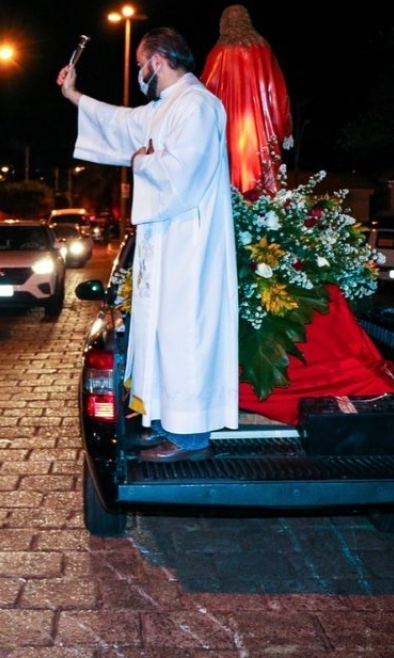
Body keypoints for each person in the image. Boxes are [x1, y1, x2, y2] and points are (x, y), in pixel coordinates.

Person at [57, 26, 238, 463]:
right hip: (167, 242)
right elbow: (122, 122)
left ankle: (191, 438)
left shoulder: (197, 106)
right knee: (162, 333)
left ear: (158, 61)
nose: (140, 72)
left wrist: (142, 160)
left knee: (185, 332)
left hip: (190, 246)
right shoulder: (167, 106)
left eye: (141, 64)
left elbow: (183, 173)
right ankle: (164, 423)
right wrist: (75, 96)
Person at [199, 4, 293, 196]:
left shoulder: (217, 54)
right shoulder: (263, 50)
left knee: (227, 170)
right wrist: (286, 127)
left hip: (227, 132)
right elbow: (277, 92)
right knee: (264, 174)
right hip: (260, 133)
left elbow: (204, 97)